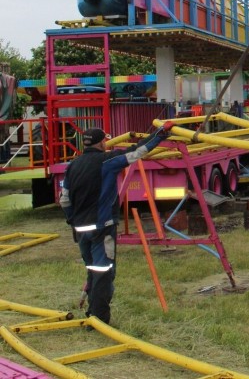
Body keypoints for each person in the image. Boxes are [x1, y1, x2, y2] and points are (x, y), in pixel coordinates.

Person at [59, 123, 172, 325]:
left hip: (82, 230)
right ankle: (99, 320)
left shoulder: (72, 166)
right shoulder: (106, 161)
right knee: (104, 273)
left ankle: (93, 311)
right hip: (102, 228)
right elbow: (136, 152)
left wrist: (72, 221)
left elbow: (64, 200)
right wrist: (160, 135)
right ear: (102, 142)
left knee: (93, 270)